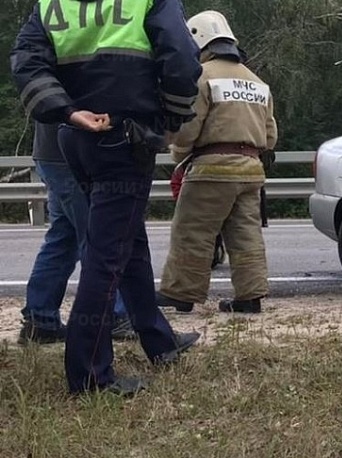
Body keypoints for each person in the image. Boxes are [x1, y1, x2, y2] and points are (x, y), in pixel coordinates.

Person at [11, 0, 203, 396]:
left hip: (74, 137)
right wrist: (169, 122)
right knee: (106, 257)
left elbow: (26, 60)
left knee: (127, 241)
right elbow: (182, 60)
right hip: (124, 134)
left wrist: (66, 111)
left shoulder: (52, 3)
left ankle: (159, 342)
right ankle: (90, 376)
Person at [156, 10, 277, 314]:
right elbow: (270, 135)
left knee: (193, 232)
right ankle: (250, 297)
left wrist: (178, 156)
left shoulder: (202, 76)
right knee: (245, 235)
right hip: (251, 170)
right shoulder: (257, 82)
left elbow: (187, 132)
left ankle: (181, 294)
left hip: (211, 170)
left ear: (200, 44)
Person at [19, 122, 135, 345]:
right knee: (99, 241)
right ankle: (115, 315)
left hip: (50, 154)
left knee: (63, 241)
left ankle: (40, 319)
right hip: (74, 156)